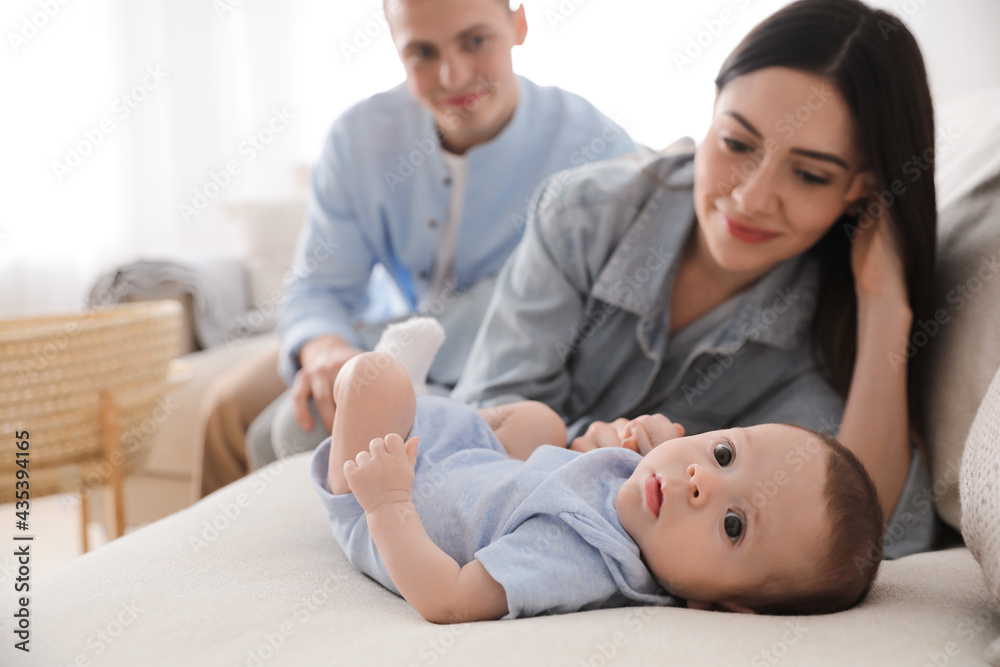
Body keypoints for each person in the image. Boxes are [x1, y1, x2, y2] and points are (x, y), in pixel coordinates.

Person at [451, 0, 938, 559]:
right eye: (736, 143)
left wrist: (885, 307)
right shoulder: (586, 212)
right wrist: (581, 449)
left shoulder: (819, 347)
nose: (750, 199)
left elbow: (860, 541)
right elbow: (479, 426)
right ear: (711, 111)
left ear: (861, 188)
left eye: (807, 174)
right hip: (448, 345)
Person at [194, 0, 636, 497]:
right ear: (396, 48)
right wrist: (325, 348)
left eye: (475, 41)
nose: (453, 75)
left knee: (285, 432)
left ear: (519, 24)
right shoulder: (358, 139)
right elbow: (319, 284)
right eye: (422, 53)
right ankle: (201, 564)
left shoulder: (596, 148)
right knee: (227, 404)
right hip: (380, 337)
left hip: (500, 364)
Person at [310, 325, 884, 622]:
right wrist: (628, 442)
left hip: (385, 490)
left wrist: (387, 506)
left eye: (733, 525)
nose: (700, 481)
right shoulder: (645, 516)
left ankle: (408, 394)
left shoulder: (579, 560)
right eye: (725, 455)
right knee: (541, 422)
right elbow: (576, 466)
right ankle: (432, 409)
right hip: (481, 470)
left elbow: (449, 601)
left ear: (727, 608)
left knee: (372, 377)